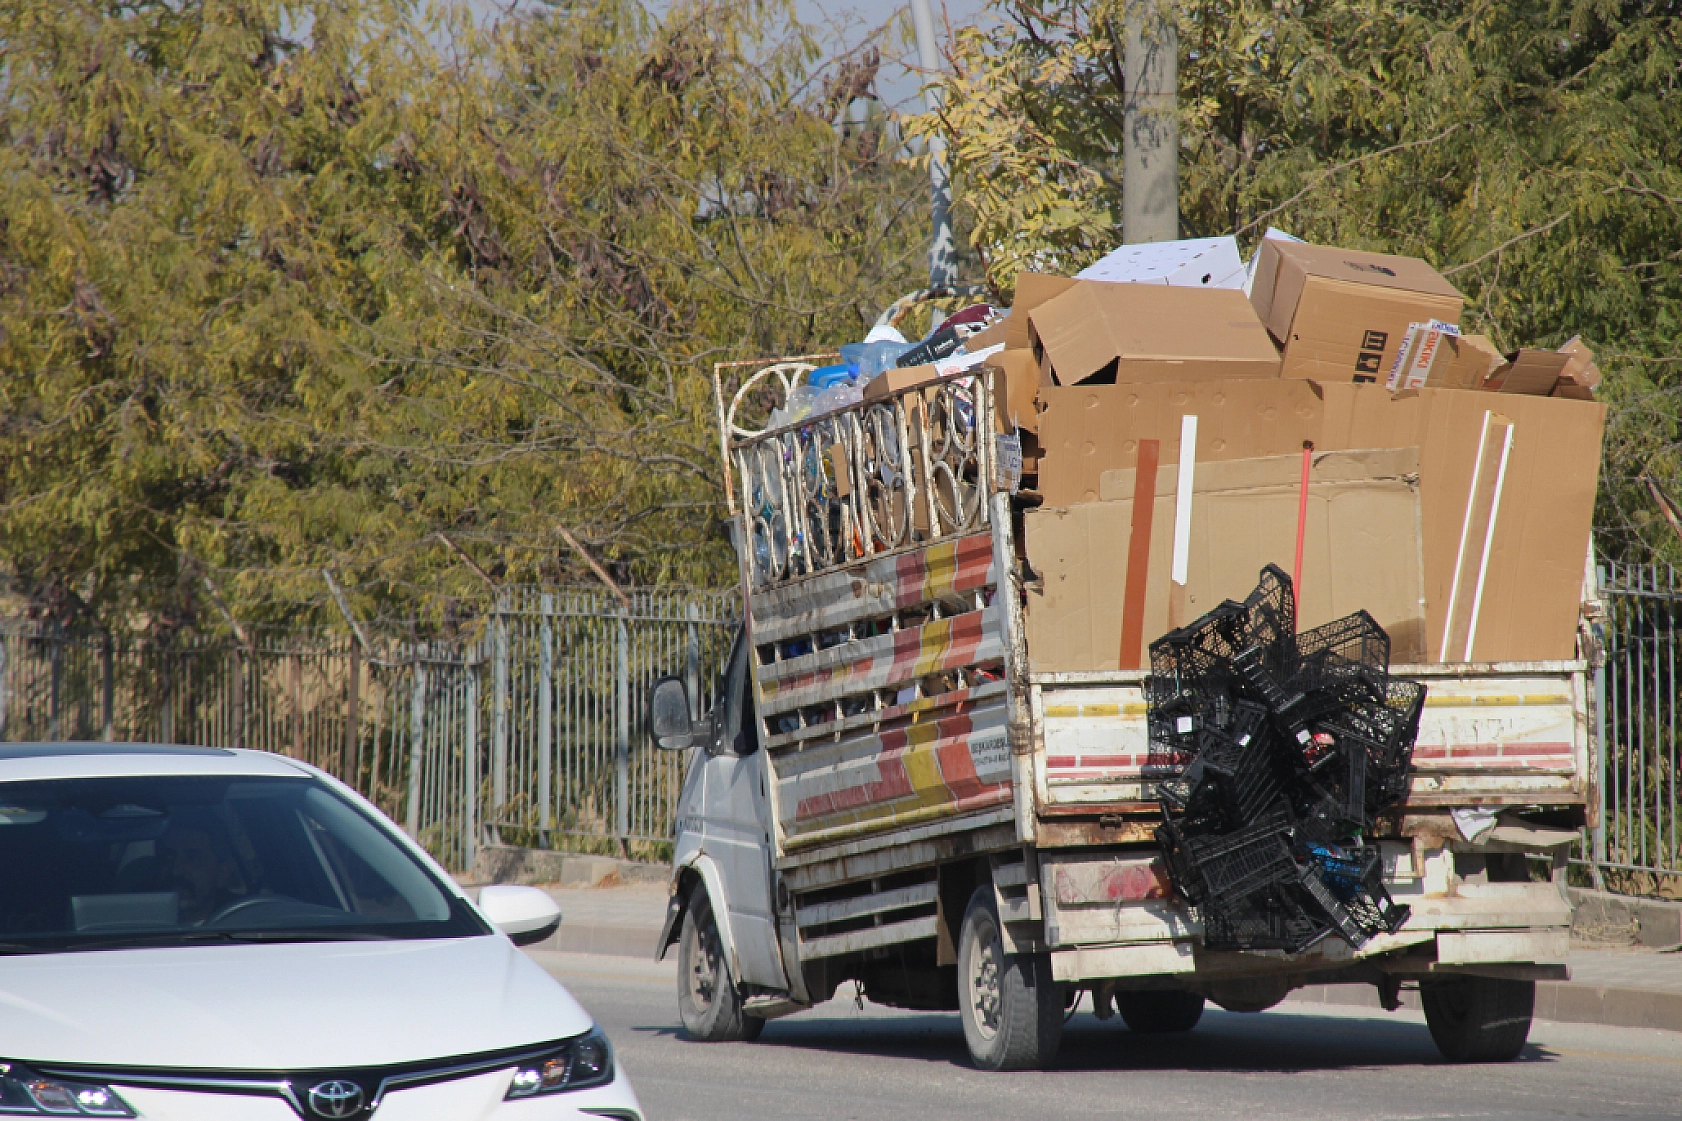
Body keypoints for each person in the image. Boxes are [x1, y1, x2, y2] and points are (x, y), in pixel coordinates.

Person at [157, 813, 247, 925]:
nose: (176, 870)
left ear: (222, 872)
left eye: (193, 858)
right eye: (168, 857)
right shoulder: (132, 923)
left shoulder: (248, 924)